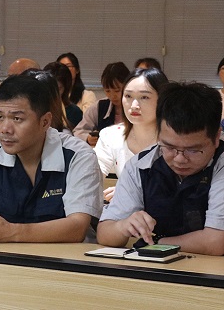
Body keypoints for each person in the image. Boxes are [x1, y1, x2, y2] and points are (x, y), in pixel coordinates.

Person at [0, 75, 103, 243]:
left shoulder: (77, 156)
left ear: (45, 122)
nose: (5, 129)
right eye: (0, 117)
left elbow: (77, 227)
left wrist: (13, 232)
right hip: (6, 256)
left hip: (65, 257)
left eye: (17, 119)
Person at [97, 82, 224, 256]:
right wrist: (123, 226)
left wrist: (156, 242)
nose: (179, 159)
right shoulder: (141, 166)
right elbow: (105, 234)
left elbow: (215, 242)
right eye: (169, 147)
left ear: (216, 137)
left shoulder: (220, 164)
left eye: (193, 150)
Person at [94, 68, 168, 201]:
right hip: (127, 211)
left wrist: (129, 191)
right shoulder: (111, 135)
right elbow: (92, 175)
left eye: (144, 97)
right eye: (128, 96)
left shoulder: (176, 140)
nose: (134, 105)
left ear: (162, 100)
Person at [74, 62, 131, 145]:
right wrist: (87, 138)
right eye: (107, 91)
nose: (112, 96)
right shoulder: (100, 106)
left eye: (117, 90)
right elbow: (78, 131)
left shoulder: (135, 106)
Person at [43, 61, 83, 129]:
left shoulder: (74, 112)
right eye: (50, 88)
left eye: (58, 89)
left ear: (66, 88)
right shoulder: (36, 108)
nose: (53, 92)